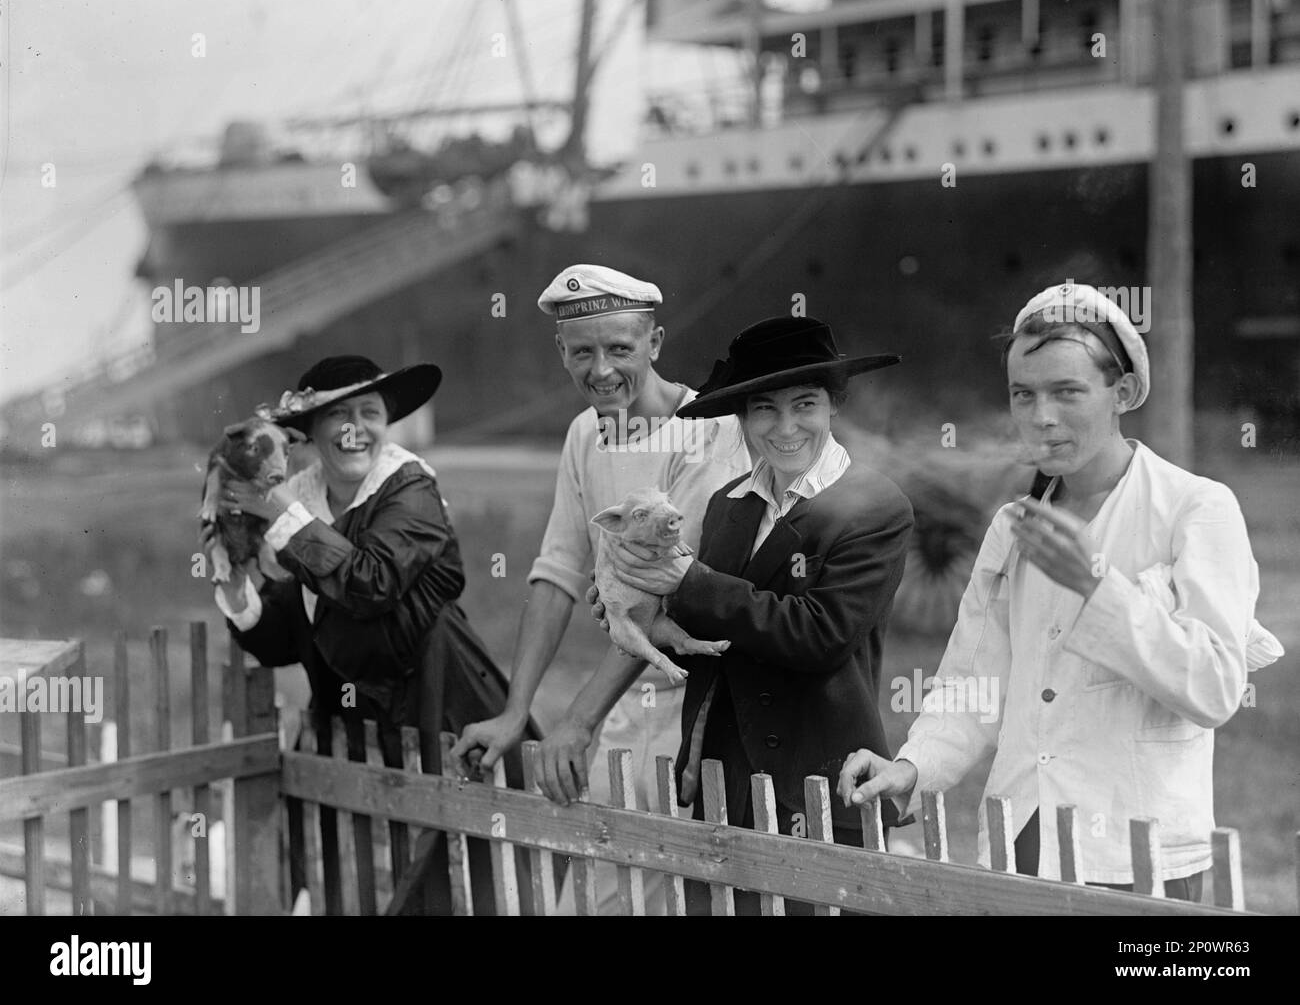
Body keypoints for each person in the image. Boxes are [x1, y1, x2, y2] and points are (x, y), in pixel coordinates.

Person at [838, 282, 1283, 899]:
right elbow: (974, 682)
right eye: (1024, 394)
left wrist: (1095, 586)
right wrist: (913, 767)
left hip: (1139, 857)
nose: (1041, 416)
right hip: (1023, 842)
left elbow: (1213, 688)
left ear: (1122, 392)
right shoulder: (1012, 527)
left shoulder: (1196, 509)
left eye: (1067, 391)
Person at [579, 315, 914, 915]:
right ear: (741, 418)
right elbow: (716, 630)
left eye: (804, 404)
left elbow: (820, 635)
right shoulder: (726, 504)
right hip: (726, 786)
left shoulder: (874, 507)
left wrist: (689, 582)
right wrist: (638, 605)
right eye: (764, 409)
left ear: (835, 403)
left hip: (821, 785)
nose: (784, 428)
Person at [450, 265, 751, 915]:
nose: (602, 370)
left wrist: (575, 721)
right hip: (626, 707)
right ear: (561, 351)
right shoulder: (585, 433)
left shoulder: (710, 432)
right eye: (582, 351)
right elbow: (557, 572)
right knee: (598, 897)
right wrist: (513, 711)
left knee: (690, 896)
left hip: (699, 710)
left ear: (656, 343)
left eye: (620, 349)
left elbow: (665, 600)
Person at [203, 354, 540, 915]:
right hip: (348, 730)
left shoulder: (409, 491)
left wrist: (284, 516)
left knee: (452, 892)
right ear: (310, 430)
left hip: (436, 717)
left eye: (370, 411)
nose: (355, 428)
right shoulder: (297, 496)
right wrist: (237, 584)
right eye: (338, 414)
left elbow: (369, 583)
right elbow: (290, 635)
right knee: (351, 889)